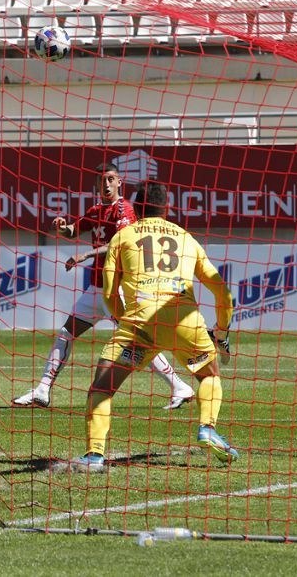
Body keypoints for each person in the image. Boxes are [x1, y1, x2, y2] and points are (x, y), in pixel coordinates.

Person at [66, 181, 237, 472]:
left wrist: (124, 321)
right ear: (166, 208)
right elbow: (221, 291)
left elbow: (109, 293)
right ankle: (207, 428)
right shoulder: (186, 237)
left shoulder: (122, 237)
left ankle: (94, 455)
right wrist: (221, 331)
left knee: (102, 388)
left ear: (138, 208)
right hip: (184, 320)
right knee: (210, 375)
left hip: (139, 323)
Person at [13, 162, 194, 410]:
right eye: (101, 180)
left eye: (110, 179)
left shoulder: (126, 211)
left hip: (117, 290)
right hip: (97, 290)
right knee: (66, 334)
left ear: (120, 182)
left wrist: (85, 255)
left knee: (137, 341)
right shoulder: (97, 209)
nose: (106, 184)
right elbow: (75, 230)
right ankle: (42, 391)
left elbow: (119, 245)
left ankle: (179, 386)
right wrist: (62, 227)